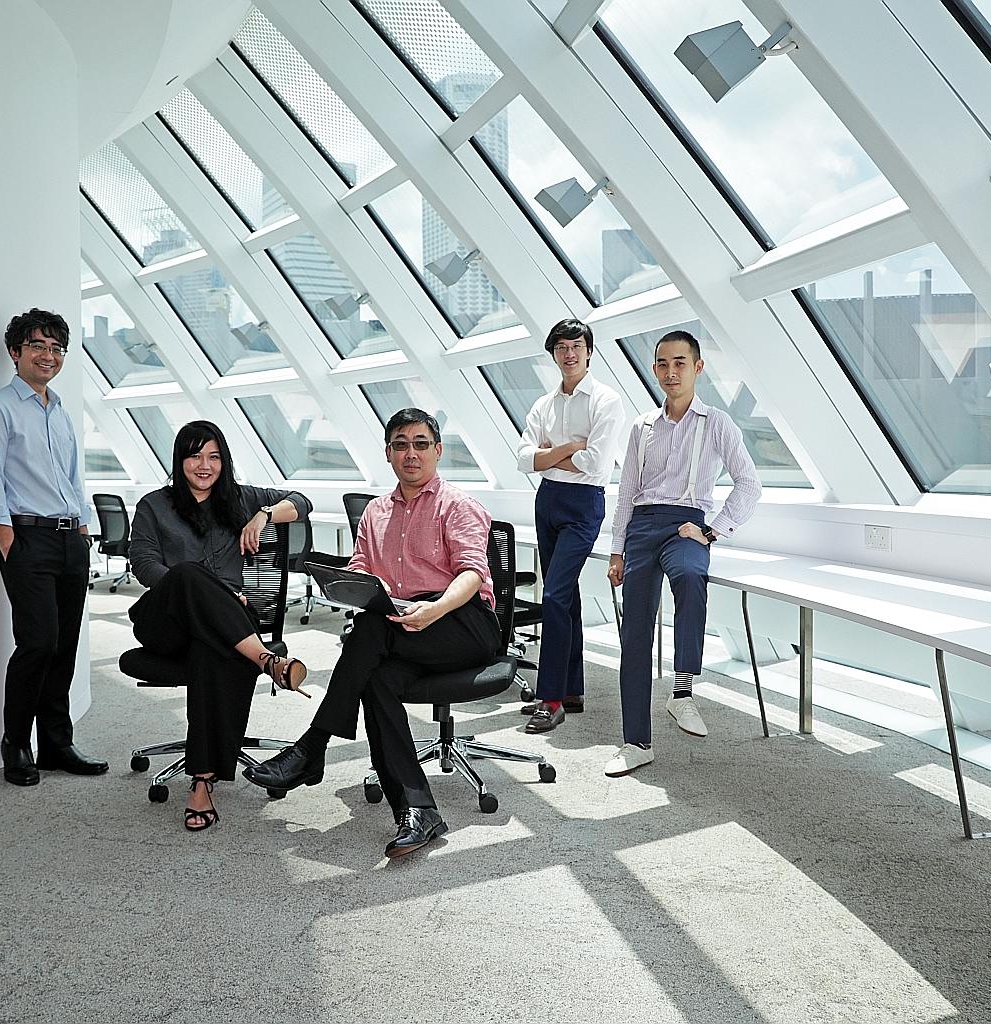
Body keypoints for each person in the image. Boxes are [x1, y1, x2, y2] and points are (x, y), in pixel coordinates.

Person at [244, 409, 496, 859]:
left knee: (370, 631)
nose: (411, 453)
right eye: (401, 444)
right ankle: (418, 810)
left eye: (421, 443)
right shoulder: (375, 513)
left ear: (438, 451)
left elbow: (473, 574)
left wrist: (434, 608)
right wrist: (345, 586)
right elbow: (363, 570)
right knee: (376, 678)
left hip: (461, 622)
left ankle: (312, 746)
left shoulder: (458, 505)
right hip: (401, 627)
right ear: (388, 453)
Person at [126, 421, 312, 832]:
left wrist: (264, 515)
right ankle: (265, 659)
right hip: (165, 620)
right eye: (194, 456)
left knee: (215, 649)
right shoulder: (154, 505)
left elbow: (301, 502)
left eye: (214, 456)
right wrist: (202, 592)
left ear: (224, 461)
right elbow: (143, 563)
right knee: (191, 576)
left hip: (223, 632)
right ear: (180, 460)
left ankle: (202, 781)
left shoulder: (243, 499)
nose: (204, 465)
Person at [604, 330, 761, 777]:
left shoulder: (717, 424)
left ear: (697, 368)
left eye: (679, 363)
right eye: (662, 364)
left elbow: (749, 483)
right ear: (655, 369)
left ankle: (683, 691)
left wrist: (714, 530)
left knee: (692, 577)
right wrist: (617, 550)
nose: (670, 372)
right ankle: (636, 742)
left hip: (687, 526)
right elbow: (627, 493)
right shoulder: (642, 427)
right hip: (641, 527)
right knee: (635, 635)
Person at [0, 308, 108, 787]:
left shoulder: (62, 412)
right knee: (38, 644)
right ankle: (16, 744)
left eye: (56, 348)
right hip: (27, 539)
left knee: (65, 646)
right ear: (15, 353)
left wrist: (83, 531)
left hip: (70, 539)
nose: (48, 355)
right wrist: (10, 544)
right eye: (37, 346)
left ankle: (56, 743)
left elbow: (74, 478)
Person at [513, 318, 624, 733]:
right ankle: (573, 689)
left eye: (576, 345)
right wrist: (568, 449)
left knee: (555, 595)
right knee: (567, 596)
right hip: (548, 501)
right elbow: (524, 458)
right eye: (561, 347)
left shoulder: (606, 400)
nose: (569, 353)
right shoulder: (544, 404)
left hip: (583, 505)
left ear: (589, 350)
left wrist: (548, 454)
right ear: (553, 354)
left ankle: (551, 697)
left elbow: (596, 463)